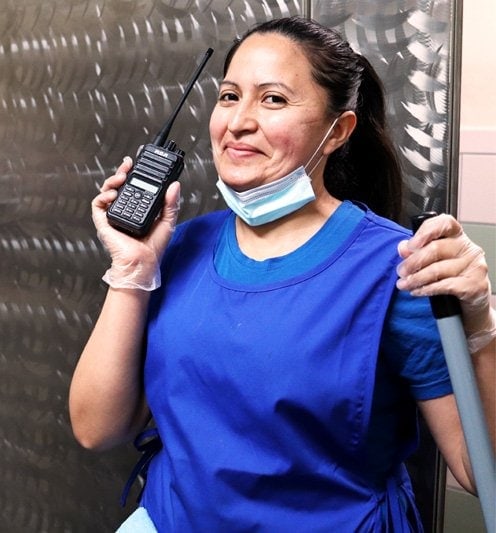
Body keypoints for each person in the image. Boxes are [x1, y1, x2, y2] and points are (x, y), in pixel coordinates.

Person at [68, 16, 495, 532]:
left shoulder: (400, 270)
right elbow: (96, 429)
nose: (239, 121)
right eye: (229, 96)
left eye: (272, 100)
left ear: (337, 131)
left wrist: (481, 329)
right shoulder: (180, 246)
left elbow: (482, 475)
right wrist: (132, 269)